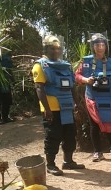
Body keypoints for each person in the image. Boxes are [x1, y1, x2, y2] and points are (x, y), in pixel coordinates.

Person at [32, 35, 85, 176]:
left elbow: (72, 86)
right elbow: (40, 88)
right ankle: (50, 164)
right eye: (52, 48)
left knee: (70, 134)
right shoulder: (40, 65)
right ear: (46, 49)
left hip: (67, 107)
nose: (55, 51)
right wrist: (47, 109)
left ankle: (68, 161)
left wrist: (77, 104)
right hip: (52, 109)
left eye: (58, 48)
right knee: (53, 136)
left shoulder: (66, 66)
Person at [75, 33, 111, 161]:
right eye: (97, 45)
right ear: (93, 46)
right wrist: (87, 80)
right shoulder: (86, 62)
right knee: (94, 125)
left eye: (102, 44)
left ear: (106, 46)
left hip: (108, 98)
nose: (100, 47)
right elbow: (77, 76)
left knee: (110, 121)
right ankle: (97, 152)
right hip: (92, 98)